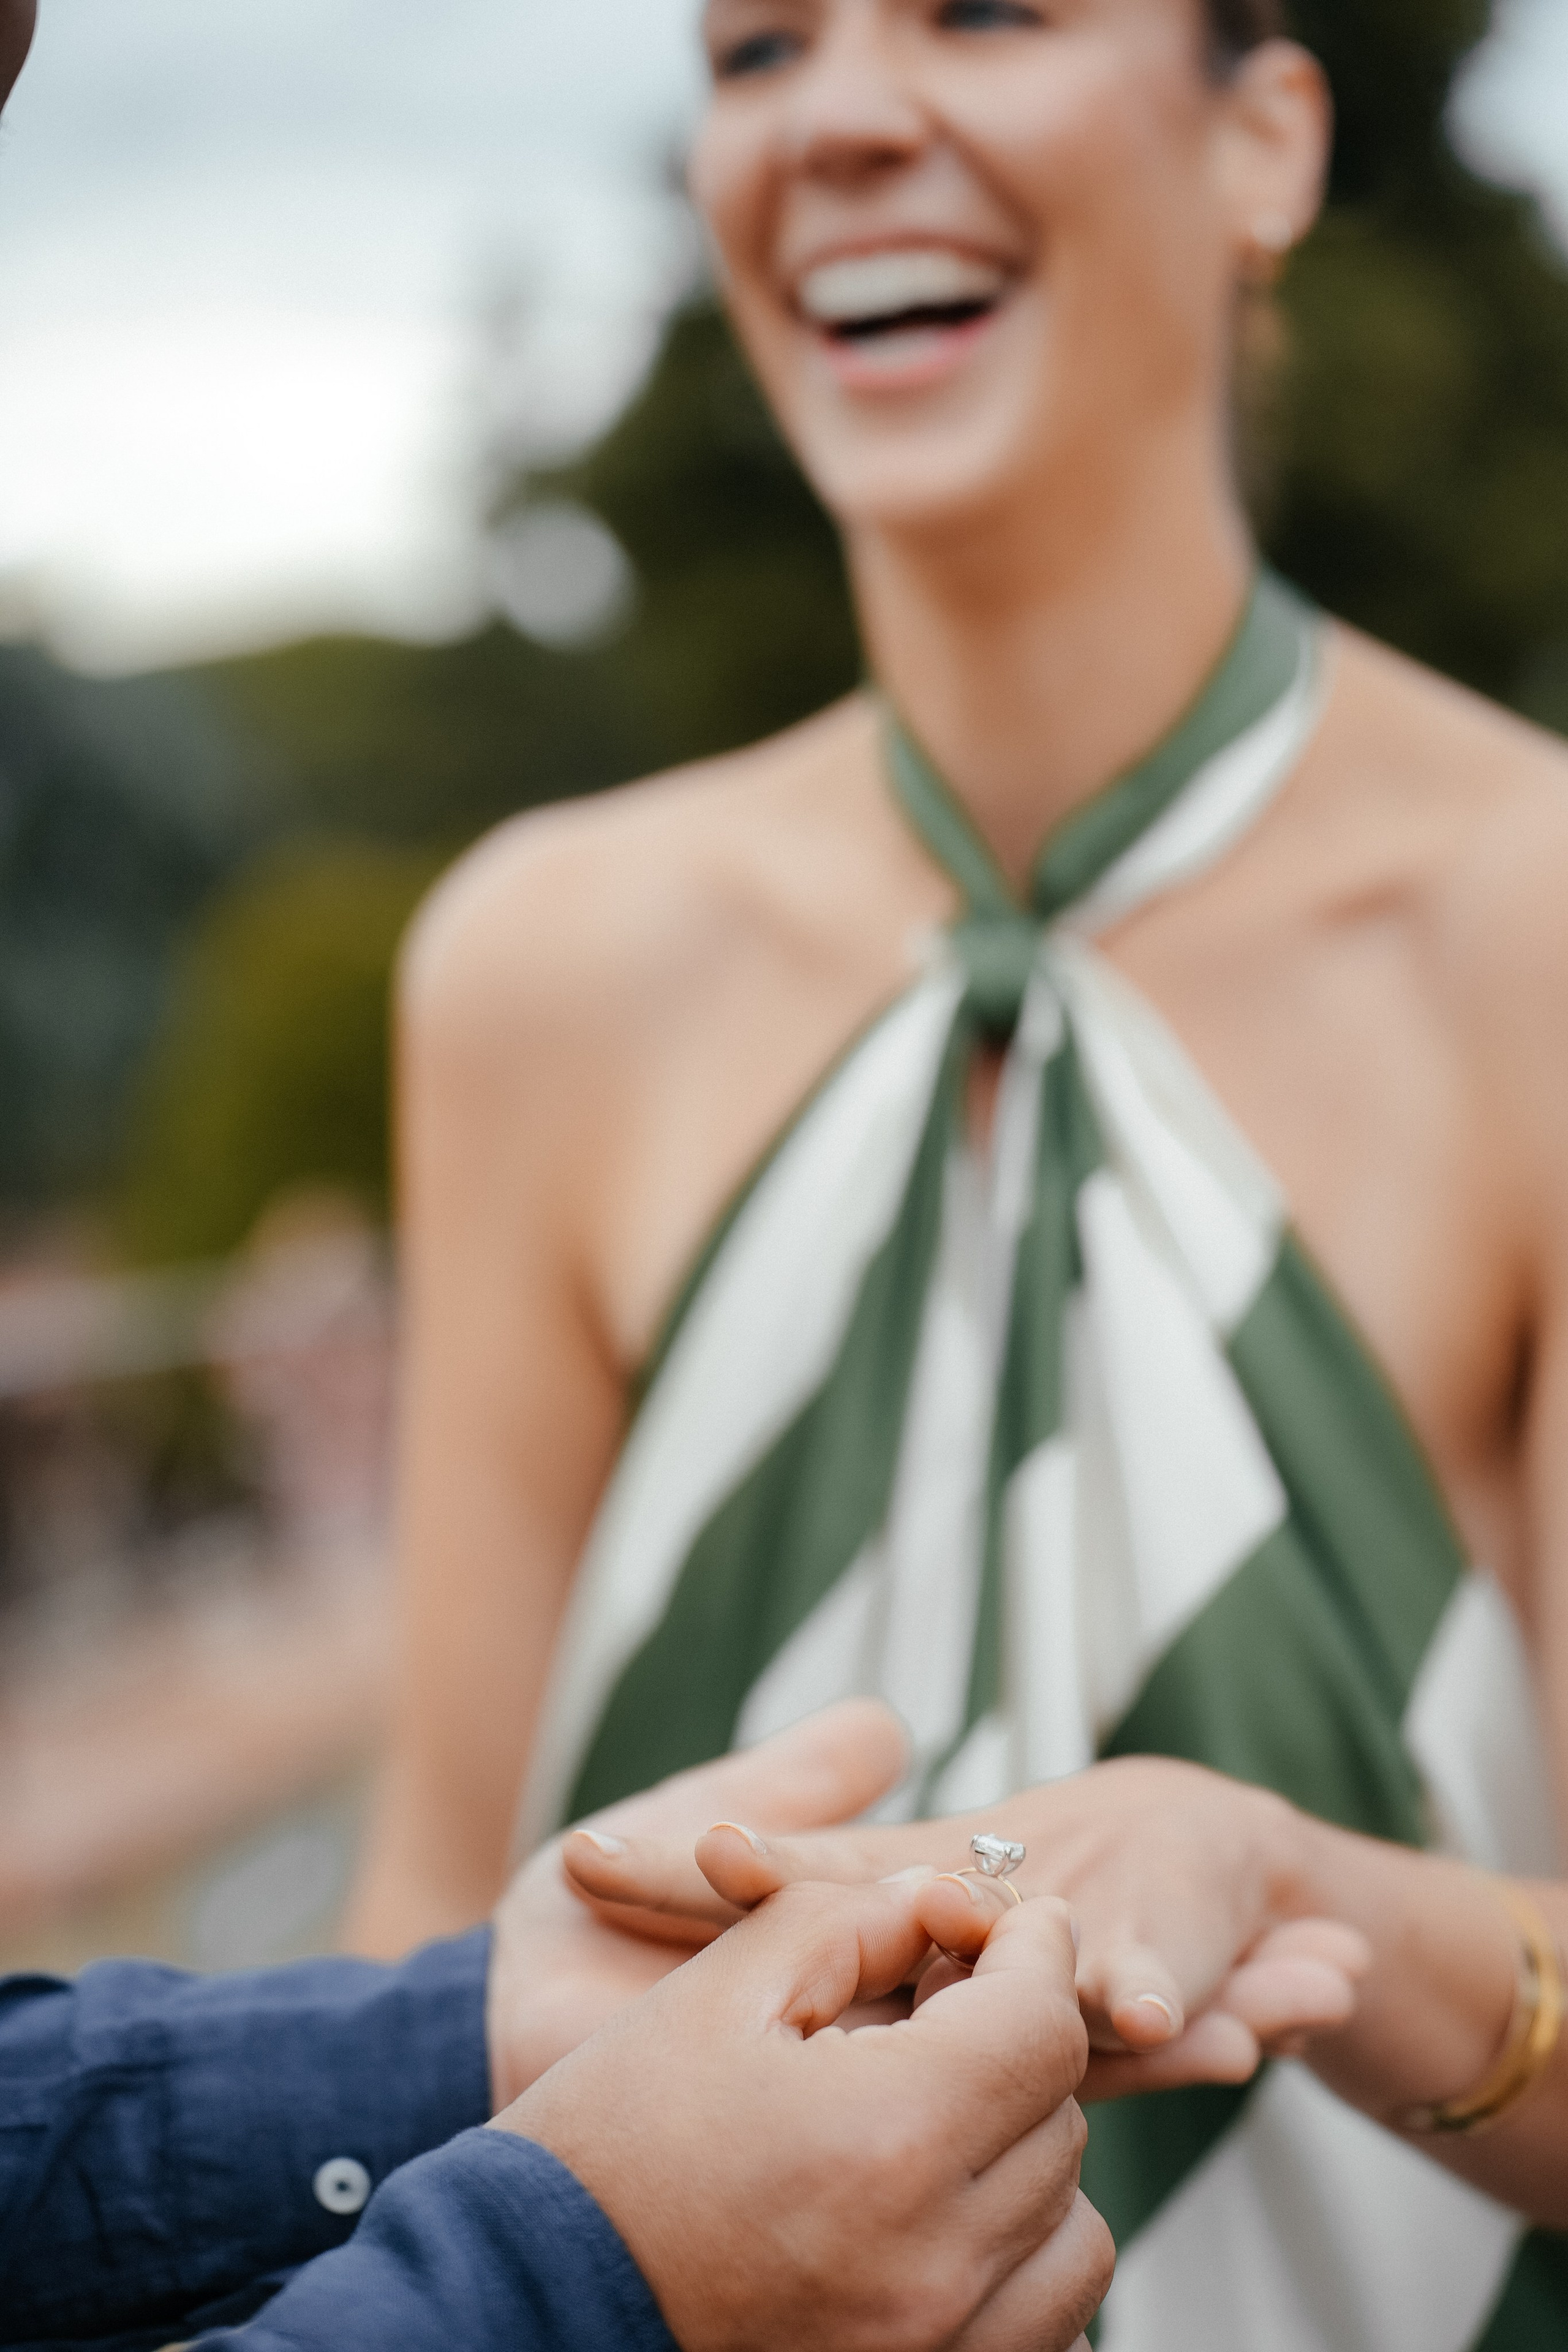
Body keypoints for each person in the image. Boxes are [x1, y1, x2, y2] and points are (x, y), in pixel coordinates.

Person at [346, 0, 1568, 2346]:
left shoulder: (1539, 935)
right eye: (757, 48)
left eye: (986, 9)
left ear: (1271, 142)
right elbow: (412, 1930)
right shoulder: (535, 968)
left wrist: (1295, 1885)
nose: (845, 119)